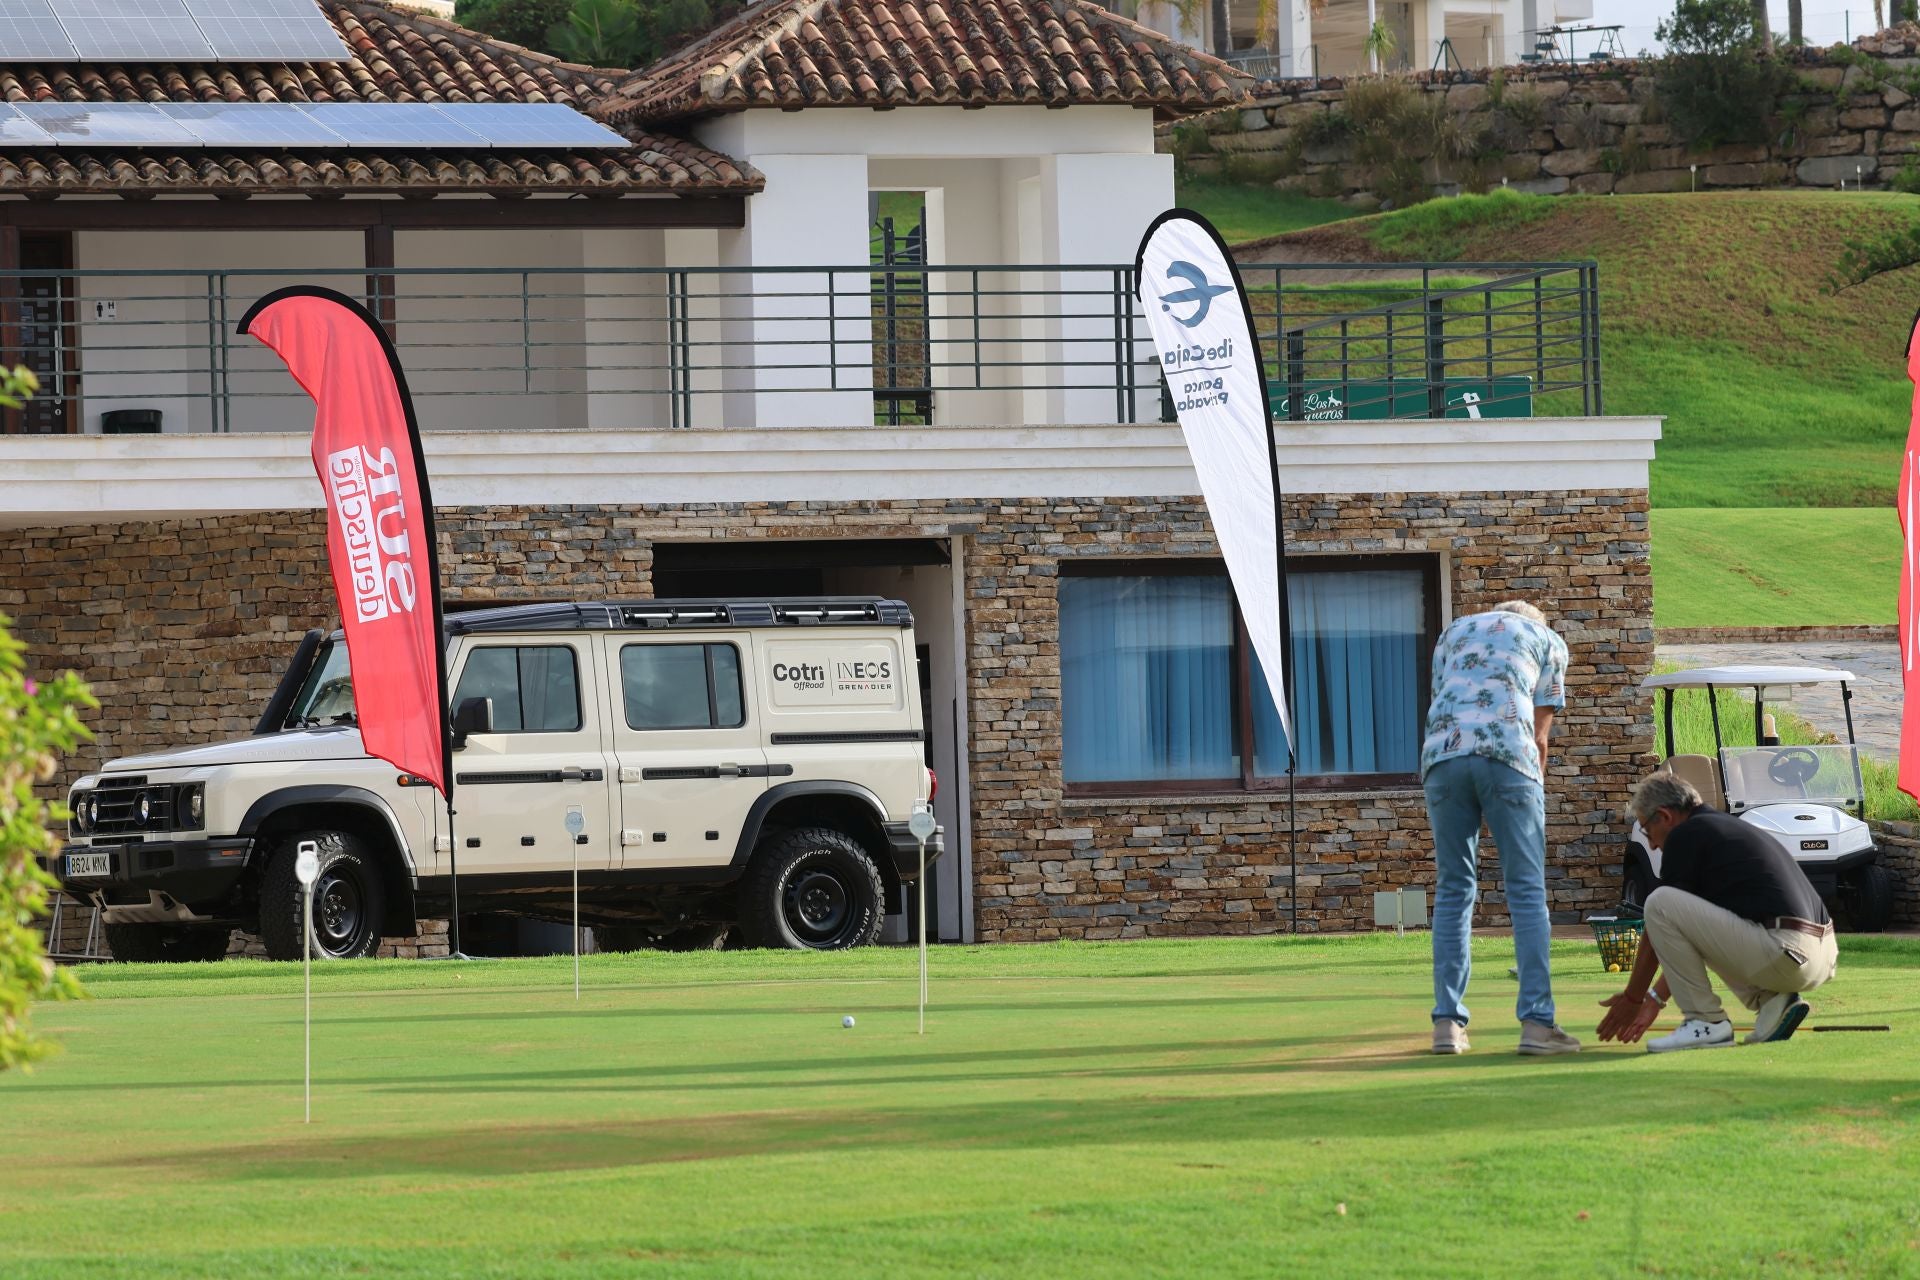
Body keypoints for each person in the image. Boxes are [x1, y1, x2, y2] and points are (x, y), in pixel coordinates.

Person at [1421, 599, 1578, 1056]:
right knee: (1526, 890)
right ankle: (1537, 1024)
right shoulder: (1547, 640)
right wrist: (1534, 788)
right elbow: (1540, 735)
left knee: (1454, 888)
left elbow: (1445, 701)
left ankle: (1447, 1024)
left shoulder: (1452, 634)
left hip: (1442, 758)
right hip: (1509, 756)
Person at [1597, 773, 1837, 1053]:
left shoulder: (1686, 835)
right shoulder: (1722, 830)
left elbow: (1656, 927)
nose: (1651, 844)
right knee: (1688, 917)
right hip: (1820, 956)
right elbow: (1694, 939)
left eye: (1648, 832)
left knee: (1659, 902)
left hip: (1786, 950)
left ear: (1664, 816)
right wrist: (1654, 999)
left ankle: (1705, 1021)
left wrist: (1633, 997)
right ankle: (1774, 1002)